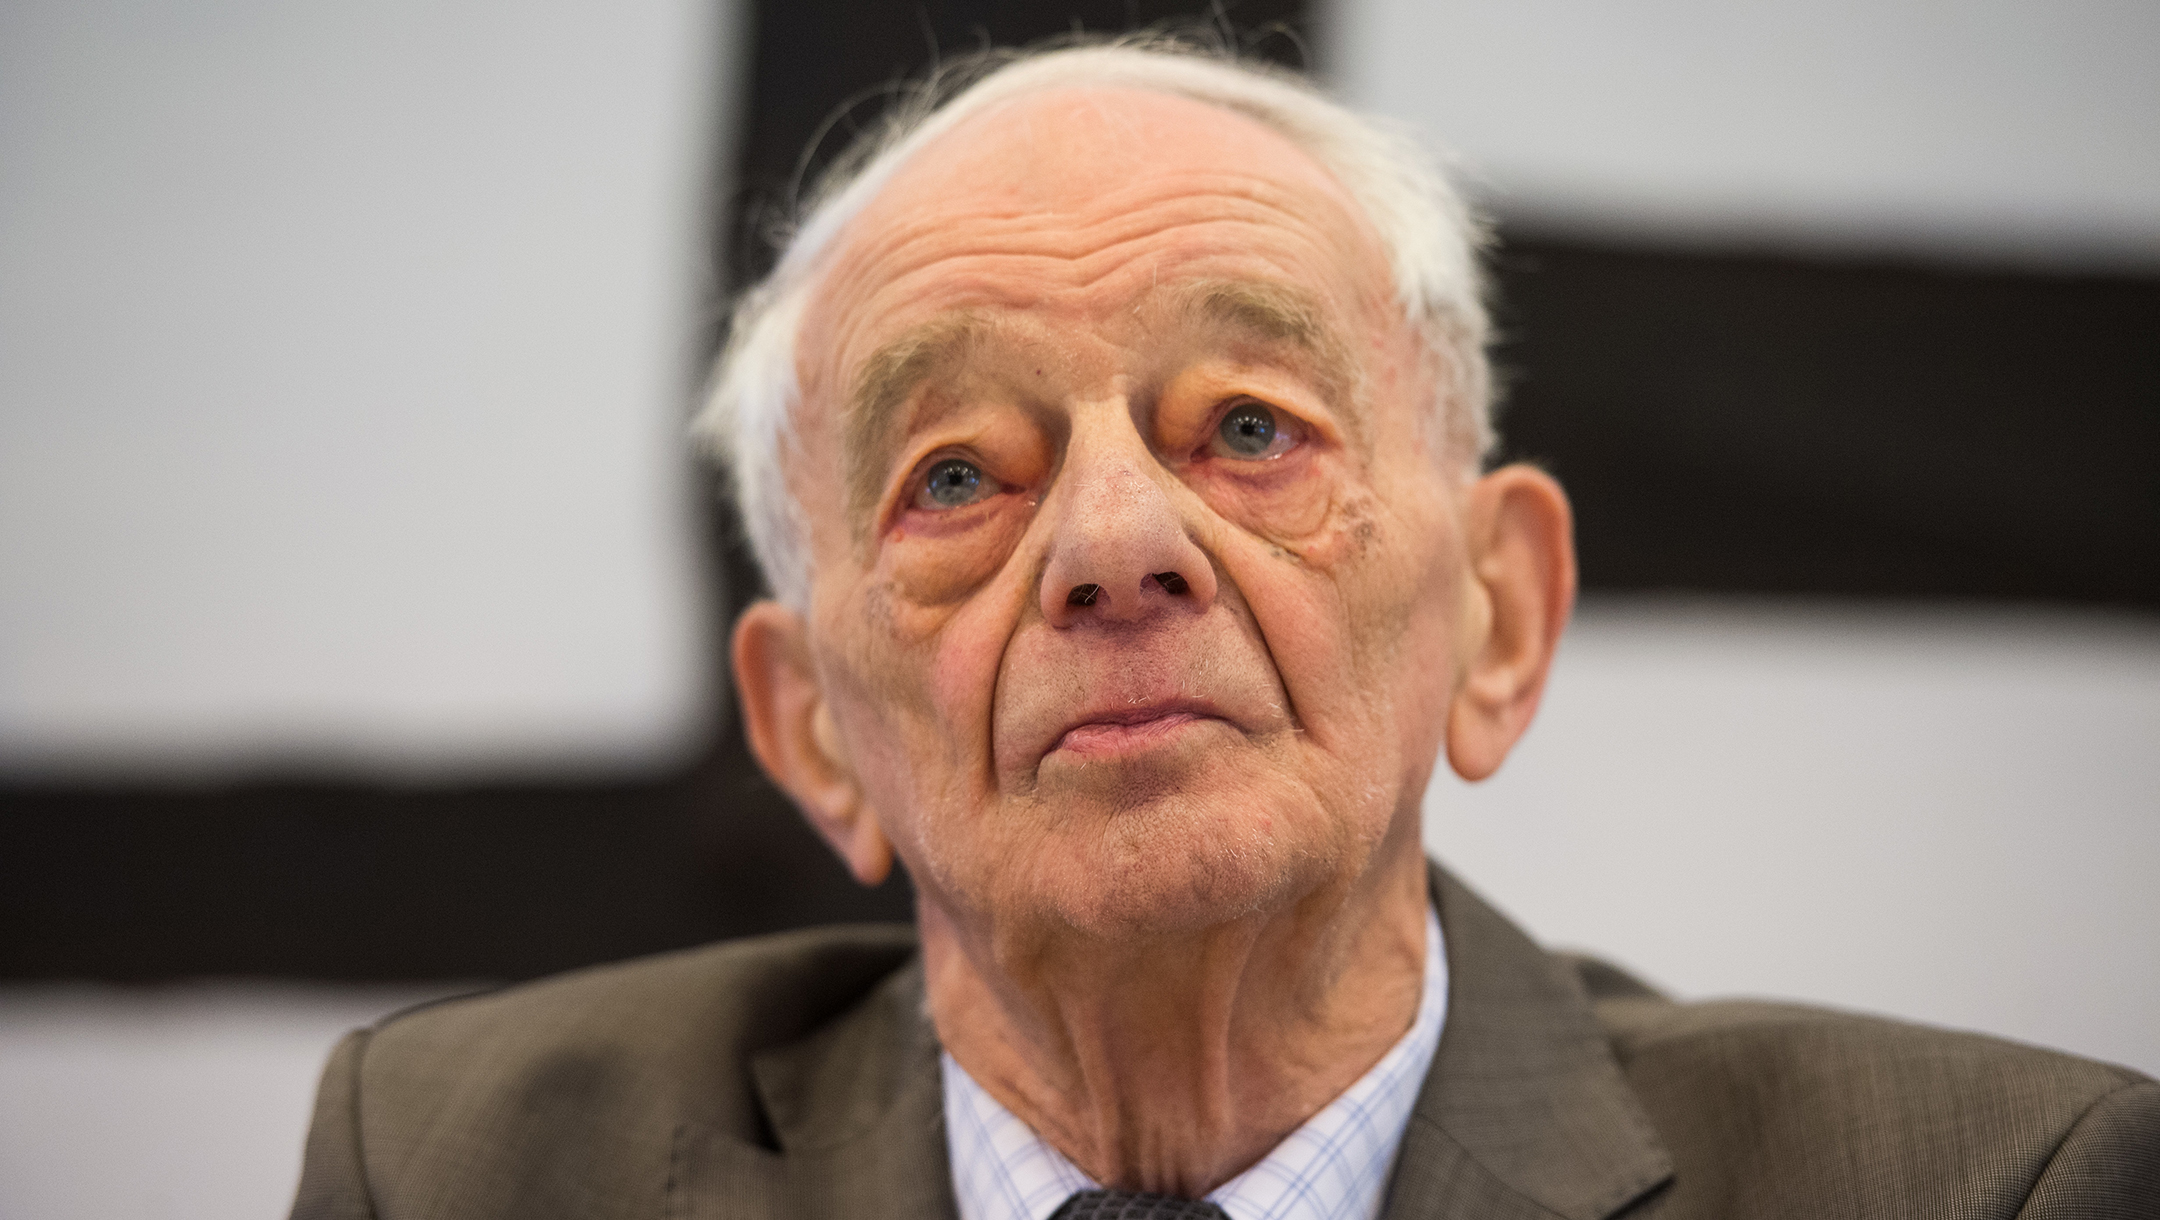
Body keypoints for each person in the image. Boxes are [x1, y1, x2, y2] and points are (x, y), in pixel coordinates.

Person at [290, 38, 2159, 1220]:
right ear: (810, 736)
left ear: (1499, 615)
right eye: (958, 476)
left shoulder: (1992, 1189)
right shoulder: (467, 1169)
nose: (1115, 548)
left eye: (1250, 431)